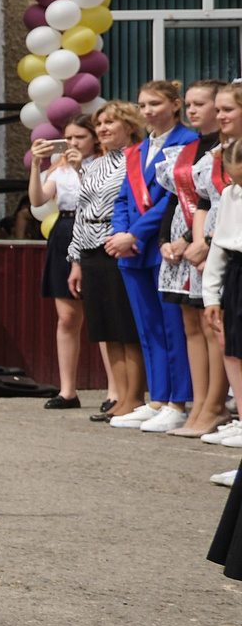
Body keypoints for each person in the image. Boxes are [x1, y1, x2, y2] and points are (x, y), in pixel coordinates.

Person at [103, 79, 195, 431]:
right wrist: (120, 234)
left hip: (162, 246)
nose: (147, 111)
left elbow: (173, 200)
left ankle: (178, 401)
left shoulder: (186, 142)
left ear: (175, 105)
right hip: (133, 248)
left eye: (155, 103)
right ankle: (157, 399)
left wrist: (135, 233)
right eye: (142, 105)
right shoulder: (140, 149)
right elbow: (124, 197)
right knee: (148, 328)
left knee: (172, 327)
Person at [67, 104, 146, 422]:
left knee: (126, 327)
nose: (102, 128)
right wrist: (75, 260)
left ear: (129, 125)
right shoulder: (94, 164)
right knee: (106, 329)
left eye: (110, 122)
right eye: (99, 123)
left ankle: (135, 398)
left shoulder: (139, 158)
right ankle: (121, 397)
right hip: (90, 251)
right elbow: (81, 213)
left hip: (119, 245)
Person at [164, 79, 228, 436]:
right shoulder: (190, 148)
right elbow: (178, 198)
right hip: (190, 243)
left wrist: (197, 238)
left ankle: (215, 405)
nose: (192, 110)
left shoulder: (227, 148)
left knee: (211, 325)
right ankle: (199, 403)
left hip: (213, 242)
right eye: (188, 103)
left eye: (200, 104)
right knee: (192, 326)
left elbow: (218, 201)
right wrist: (169, 239)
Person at [27, 122, 93, 410]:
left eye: (80, 137)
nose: (73, 143)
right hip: (64, 228)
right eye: (68, 138)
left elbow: (97, 198)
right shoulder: (60, 168)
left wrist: (82, 169)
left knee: (103, 314)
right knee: (67, 317)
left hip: (94, 227)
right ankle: (68, 390)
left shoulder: (104, 164)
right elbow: (38, 198)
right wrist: (36, 165)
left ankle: (119, 391)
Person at [200, 85, 242, 471]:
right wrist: (211, 295)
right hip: (237, 274)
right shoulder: (232, 193)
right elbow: (220, 246)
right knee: (233, 349)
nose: (220, 116)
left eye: (227, 109)